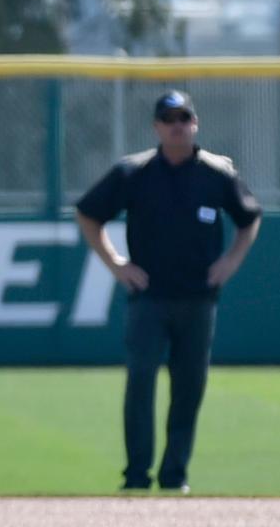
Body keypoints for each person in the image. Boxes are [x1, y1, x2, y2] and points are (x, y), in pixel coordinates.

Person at [74, 90, 262, 495]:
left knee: (189, 386)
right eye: (169, 118)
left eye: (184, 118)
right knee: (141, 381)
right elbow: (88, 214)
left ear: (195, 123)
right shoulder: (134, 172)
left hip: (198, 298)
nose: (177, 125)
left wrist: (231, 261)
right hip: (150, 298)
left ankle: (175, 475)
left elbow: (249, 217)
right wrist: (116, 264)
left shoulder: (216, 174)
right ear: (157, 127)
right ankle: (137, 475)